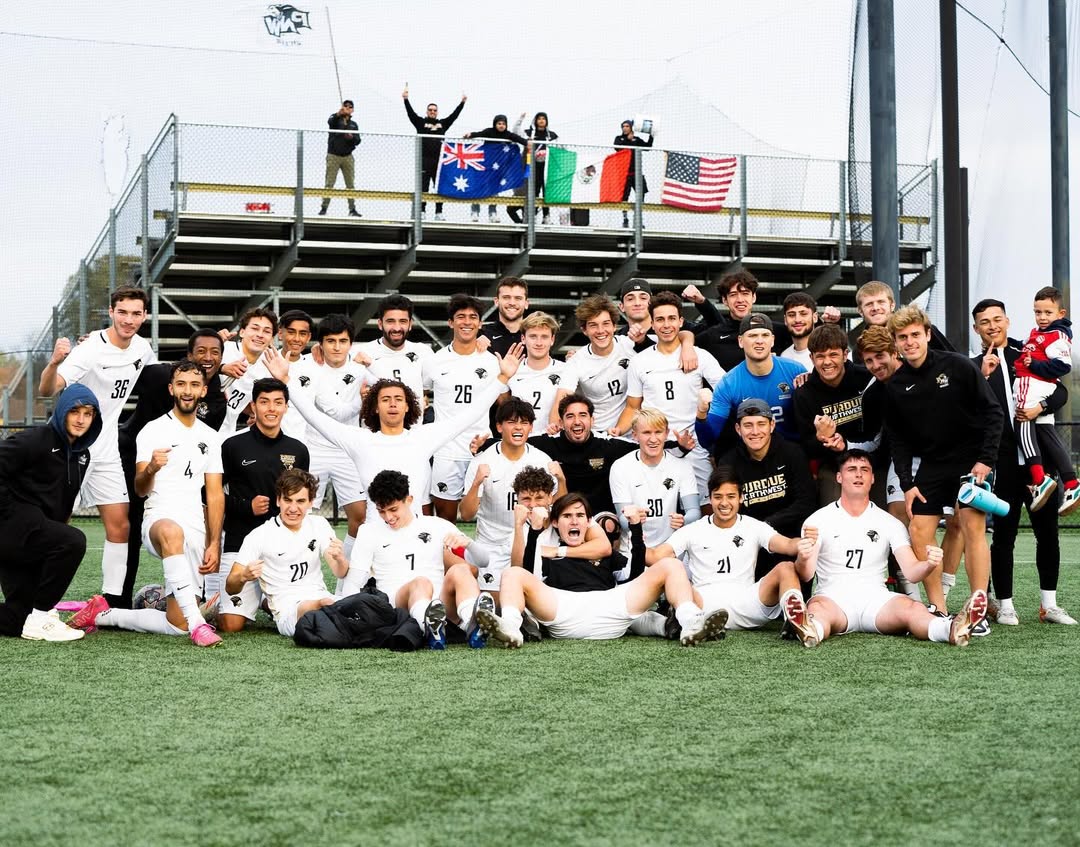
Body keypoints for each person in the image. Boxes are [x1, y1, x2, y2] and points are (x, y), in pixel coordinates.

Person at [264, 341, 521, 525]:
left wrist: (502, 378)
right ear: (375, 407)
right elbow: (315, 416)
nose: (393, 404)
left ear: (409, 406)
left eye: (399, 399)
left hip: (415, 535)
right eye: (385, 399)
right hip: (374, 537)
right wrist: (285, 381)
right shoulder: (360, 440)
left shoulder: (423, 437)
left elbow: (471, 413)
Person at [71, 360, 225, 646]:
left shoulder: (212, 438)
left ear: (203, 391)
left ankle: (103, 615)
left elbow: (215, 494)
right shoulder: (152, 431)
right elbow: (140, 489)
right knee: (171, 532)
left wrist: (213, 543)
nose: (187, 391)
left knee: (175, 624)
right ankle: (198, 625)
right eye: (181, 384)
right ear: (171, 389)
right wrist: (152, 468)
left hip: (195, 527)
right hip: (159, 521)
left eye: (194, 385)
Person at [475, 490, 727, 647]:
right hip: (562, 608)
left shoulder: (603, 552)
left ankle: (690, 622)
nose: (574, 521)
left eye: (580, 516)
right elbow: (529, 574)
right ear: (556, 523)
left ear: (588, 522)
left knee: (671, 565)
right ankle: (510, 628)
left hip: (611, 606)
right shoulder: (547, 549)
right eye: (567, 516)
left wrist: (636, 529)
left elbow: (633, 576)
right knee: (512, 573)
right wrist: (533, 532)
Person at [790, 450, 987, 648]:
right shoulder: (817, 520)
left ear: (873, 478)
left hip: (876, 600)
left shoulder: (889, 522)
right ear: (839, 477)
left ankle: (951, 629)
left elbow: (911, 572)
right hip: (833, 599)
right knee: (819, 610)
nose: (858, 474)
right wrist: (803, 556)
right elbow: (806, 575)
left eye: (864, 470)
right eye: (851, 469)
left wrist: (928, 564)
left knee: (913, 608)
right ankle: (811, 629)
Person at [38, 285, 157, 608]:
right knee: (57, 524)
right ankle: (38, 599)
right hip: (70, 446)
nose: (129, 320)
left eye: (136, 313)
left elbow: (166, 377)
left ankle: (110, 603)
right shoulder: (89, 349)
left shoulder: (143, 348)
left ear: (145, 316)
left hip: (105, 450)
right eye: (123, 312)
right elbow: (48, 390)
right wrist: (54, 362)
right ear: (111, 312)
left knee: (120, 525)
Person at [883, 305, 1003, 615]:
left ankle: (977, 607)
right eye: (902, 337)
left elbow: (993, 412)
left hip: (970, 462)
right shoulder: (896, 385)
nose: (909, 342)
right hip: (932, 464)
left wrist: (985, 460)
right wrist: (907, 484)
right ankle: (939, 609)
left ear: (927, 335)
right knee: (919, 530)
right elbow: (899, 440)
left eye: (915, 335)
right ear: (895, 342)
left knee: (972, 525)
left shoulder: (958, 365)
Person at [971, 299, 1076, 625]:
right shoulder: (972, 367)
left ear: (1007, 321)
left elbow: (1061, 393)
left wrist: (1038, 407)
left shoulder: (1028, 352)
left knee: (1048, 534)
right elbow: (966, 410)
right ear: (976, 329)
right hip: (1002, 464)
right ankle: (1005, 605)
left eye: (997, 319)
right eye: (984, 322)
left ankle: (1049, 605)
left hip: (1038, 464)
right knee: (1004, 537)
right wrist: (981, 375)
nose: (992, 326)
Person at [118, 328, 227, 609]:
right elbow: (122, 372)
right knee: (130, 528)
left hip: (179, 482)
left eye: (215, 353)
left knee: (178, 623)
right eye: (201, 351)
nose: (208, 357)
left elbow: (210, 483)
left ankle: (175, 609)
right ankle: (116, 600)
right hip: (132, 453)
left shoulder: (215, 406)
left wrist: (213, 542)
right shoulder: (157, 377)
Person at [637, 466, 806, 640]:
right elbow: (656, 557)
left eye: (731, 496)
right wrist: (635, 536)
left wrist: (804, 543)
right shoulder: (693, 530)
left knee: (786, 568)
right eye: (718, 497)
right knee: (673, 569)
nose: (724, 503)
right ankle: (691, 622)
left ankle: (797, 621)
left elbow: (787, 544)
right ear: (709, 498)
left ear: (741, 497)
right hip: (703, 606)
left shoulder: (754, 526)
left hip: (747, 604)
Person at [339, 470, 490, 649]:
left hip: (442, 607)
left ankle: (473, 623)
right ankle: (429, 627)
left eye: (393, 509)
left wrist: (469, 544)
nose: (388, 517)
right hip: (399, 610)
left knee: (461, 570)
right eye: (381, 511)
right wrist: (345, 618)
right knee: (420, 582)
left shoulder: (437, 526)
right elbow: (354, 581)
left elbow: (483, 561)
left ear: (409, 500)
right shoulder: (369, 532)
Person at [0, 385, 100, 641]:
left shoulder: (82, 455)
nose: (81, 419)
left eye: (88, 414)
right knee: (73, 540)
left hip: (35, 538)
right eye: (75, 411)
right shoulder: (36, 439)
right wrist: (8, 510)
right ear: (62, 411)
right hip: (13, 528)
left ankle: (35, 616)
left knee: (17, 619)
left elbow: (63, 501)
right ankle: (42, 618)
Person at [217, 378, 311, 632]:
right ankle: (255, 599)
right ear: (253, 406)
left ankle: (266, 599)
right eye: (264, 402)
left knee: (305, 614)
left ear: (286, 407)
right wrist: (245, 506)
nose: (271, 408)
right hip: (241, 541)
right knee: (230, 625)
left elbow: (302, 499)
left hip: (283, 548)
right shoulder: (232, 446)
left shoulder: (298, 450)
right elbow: (209, 494)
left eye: (278, 402)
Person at [613, 290, 725, 499]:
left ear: (681, 321)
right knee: (659, 505)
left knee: (704, 503)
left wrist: (710, 426)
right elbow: (633, 406)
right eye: (660, 319)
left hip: (694, 445)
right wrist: (618, 430)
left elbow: (726, 392)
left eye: (672, 318)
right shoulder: (639, 361)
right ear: (652, 323)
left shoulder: (699, 356)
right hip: (656, 445)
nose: (666, 325)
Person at [225, 468, 348, 637]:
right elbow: (230, 587)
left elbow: (340, 572)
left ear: (311, 502)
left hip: (322, 596)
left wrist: (340, 559)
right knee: (325, 611)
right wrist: (244, 576)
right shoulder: (259, 535)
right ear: (278, 500)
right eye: (287, 500)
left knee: (357, 608)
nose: (293, 508)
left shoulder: (319, 524)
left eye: (300, 501)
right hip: (288, 610)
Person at [460, 399, 561, 590]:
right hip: (493, 545)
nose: (518, 427)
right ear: (499, 427)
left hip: (532, 542)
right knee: (495, 600)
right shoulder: (482, 461)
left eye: (524, 422)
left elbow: (557, 505)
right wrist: (476, 483)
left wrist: (561, 480)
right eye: (512, 422)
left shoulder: (542, 460)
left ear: (531, 427)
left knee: (532, 594)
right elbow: (466, 515)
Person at [423, 294, 506, 521]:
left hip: (481, 447)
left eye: (473, 317)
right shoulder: (434, 361)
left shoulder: (491, 361)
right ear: (451, 322)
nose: (467, 322)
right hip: (446, 449)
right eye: (461, 317)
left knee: (490, 514)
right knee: (445, 518)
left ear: (480, 323)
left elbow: (504, 402)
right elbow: (420, 391)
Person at [714, 398, 816, 582]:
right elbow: (727, 506)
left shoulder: (792, 453)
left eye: (761, 424)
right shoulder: (729, 462)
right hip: (749, 541)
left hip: (789, 535)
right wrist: (756, 531)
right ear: (738, 429)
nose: (755, 432)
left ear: (772, 425)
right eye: (748, 425)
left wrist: (768, 524)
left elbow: (806, 502)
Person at [695, 313, 807, 454]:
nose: (759, 341)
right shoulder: (729, 383)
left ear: (772, 340)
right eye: (752, 336)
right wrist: (701, 413)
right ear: (740, 341)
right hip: (751, 457)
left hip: (792, 454)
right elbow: (708, 440)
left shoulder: (795, 371)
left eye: (765, 335)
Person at [1010, 286, 1079, 511]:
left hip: (1033, 385)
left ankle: (1040, 479)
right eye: (1037, 312)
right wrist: (1011, 343)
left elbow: (1063, 365)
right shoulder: (1038, 333)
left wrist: (1035, 365)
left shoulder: (1057, 335)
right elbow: (1024, 346)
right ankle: (1071, 483)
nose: (1042, 317)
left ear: (1061, 313)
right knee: (1047, 434)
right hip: (1040, 388)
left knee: (1022, 421)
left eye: (1048, 313)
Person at [307, 313, 371, 549]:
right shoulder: (310, 368)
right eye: (330, 341)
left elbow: (394, 384)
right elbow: (337, 413)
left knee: (361, 517)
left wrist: (372, 364)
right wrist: (362, 401)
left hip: (348, 451)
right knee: (304, 514)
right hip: (313, 449)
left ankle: (349, 566)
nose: (336, 347)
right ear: (320, 344)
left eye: (342, 341)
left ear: (351, 344)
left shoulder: (360, 368)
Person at [792, 324, 876, 504]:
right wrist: (821, 438)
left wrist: (846, 444)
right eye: (820, 356)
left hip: (874, 460)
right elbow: (807, 448)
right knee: (834, 510)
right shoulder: (804, 394)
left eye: (833, 355)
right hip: (833, 465)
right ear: (811, 358)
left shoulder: (867, 378)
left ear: (845, 355)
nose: (827, 362)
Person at [609, 409, 700, 565]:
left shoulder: (682, 465)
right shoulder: (620, 467)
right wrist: (633, 520)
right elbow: (623, 520)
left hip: (671, 551)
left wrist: (683, 520)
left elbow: (694, 511)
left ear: (666, 434)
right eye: (646, 433)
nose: (653, 439)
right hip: (633, 550)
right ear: (635, 435)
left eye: (658, 432)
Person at [553, 294, 638, 434]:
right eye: (593, 325)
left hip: (632, 433)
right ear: (584, 330)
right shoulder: (576, 361)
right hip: (598, 434)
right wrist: (554, 428)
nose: (600, 331)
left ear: (614, 326)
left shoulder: (631, 345)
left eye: (606, 324)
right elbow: (562, 399)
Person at [694, 271, 794, 371]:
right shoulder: (714, 335)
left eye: (745, 293)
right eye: (733, 295)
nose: (740, 300)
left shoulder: (777, 330)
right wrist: (687, 342)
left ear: (753, 297)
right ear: (725, 300)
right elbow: (686, 338)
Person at [351, 294, 433, 410]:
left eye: (403, 321)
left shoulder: (424, 352)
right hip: (374, 422)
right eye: (390, 321)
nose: (397, 328)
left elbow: (425, 389)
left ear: (410, 324)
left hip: (414, 422)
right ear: (380, 324)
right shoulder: (360, 353)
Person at [402, 86, 467, 220]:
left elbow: (454, 116)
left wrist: (462, 103)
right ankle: (422, 211)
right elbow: (410, 114)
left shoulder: (443, 124)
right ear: (427, 111)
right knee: (423, 187)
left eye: (434, 110)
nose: (432, 112)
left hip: (439, 160)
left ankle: (439, 212)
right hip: (424, 160)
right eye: (430, 110)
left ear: (437, 112)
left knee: (440, 187)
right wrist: (406, 100)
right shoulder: (420, 122)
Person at [218, 307, 278, 434]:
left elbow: (240, 400)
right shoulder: (222, 348)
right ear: (242, 332)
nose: (260, 335)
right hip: (198, 425)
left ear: (272, 339)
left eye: (267, 331)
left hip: (226, 432)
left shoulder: (270, 366)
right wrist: (221, 368)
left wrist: (255, 414)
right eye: (255, 328)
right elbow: (190, 368)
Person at [503, 311, 565, 428]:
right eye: (533, 336)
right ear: (523, 338)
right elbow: (502, 406)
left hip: (554, 437)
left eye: (544, 337)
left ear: (552, 339)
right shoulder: (511, 370)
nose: (539, 343)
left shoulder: (566, 370)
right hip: (521, 437)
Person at [462, 114, 529, 222]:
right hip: (485, 165)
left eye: (503, 124)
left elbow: (517, 138)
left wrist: (527, 143)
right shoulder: (489, 132)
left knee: (494, 189)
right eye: (499, 123)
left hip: (497, 168)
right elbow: (479, 134)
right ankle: (475, 211)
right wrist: (470, 135)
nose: (501, 126)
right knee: (479, 187)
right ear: (495, 124)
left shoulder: (507, 134)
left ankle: (492, 212)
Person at [855, 280, 953, 350]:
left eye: (881, 302)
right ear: (860, 311)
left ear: (892, 305)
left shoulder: (922, 329)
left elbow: (953, 362)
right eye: (869, 304)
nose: (876, 308)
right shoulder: (861, 346)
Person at [275, 309, 319, 440]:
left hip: (303, 443)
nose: (297, 339)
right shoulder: (265, 361)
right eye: (291, 332)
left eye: (302, 334)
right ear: (280, 333)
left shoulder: (315, 367)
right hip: (267, 442)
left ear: (309, 337)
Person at [509, 112, 558, 224]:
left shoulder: (552, 135)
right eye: (539, 118)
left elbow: (559, 148)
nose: (541, 121)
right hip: (531, 167)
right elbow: (515, 131)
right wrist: (520, 118)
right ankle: (532, 216)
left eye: (543, 119)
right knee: (533, 192)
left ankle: (546, 216)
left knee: (547, 192)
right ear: (535, 121)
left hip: (546, 167)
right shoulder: (529, 133)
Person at [318, 99, 361, 217]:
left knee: (350, 184)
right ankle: (324, 208)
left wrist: (351, 138)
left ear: (353, 110)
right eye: (345, 106)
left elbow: (358, 140)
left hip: (348, 156)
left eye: (350, 106)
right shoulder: (335, 119)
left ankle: (352, 209)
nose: (347, 108)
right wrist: (338, 114)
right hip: (333, 156)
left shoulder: (354, 124)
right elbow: (330, 121)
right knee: (329, 183)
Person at [614, 119, 653, 229]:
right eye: (623, 126)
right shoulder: (619, 138)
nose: (625, 128)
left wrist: (651, 135)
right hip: (625, 173)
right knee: (624, 196)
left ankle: (638, 219)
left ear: (631, 127)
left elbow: (648, 147)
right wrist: (628, 140)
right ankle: (625, 218)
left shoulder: (637, 139)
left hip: (637, 172)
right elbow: (617, 147)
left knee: (641, 194)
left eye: (627, 126)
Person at [478, 276, 529, 358]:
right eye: (506, 297)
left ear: (526, 304)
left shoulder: (536, 336)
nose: (512, 303)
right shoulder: (481, 334)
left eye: (518, 298)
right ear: (496, 301)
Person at [779, 292, 821, 369]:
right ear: (785, 320)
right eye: (791, 315)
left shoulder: (827, 352)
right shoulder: (784, 356)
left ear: (815, 317)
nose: (797, 320)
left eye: (803, 314)